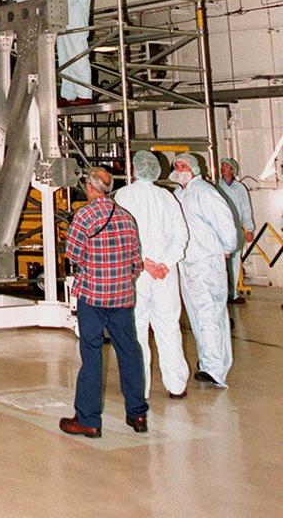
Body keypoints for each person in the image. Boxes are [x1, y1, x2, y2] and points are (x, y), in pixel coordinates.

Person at [59, 166, 148, 439]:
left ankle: (88, 419)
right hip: (122, 296)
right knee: (130, 352)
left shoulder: (84, 216)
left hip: (94, 296)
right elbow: (136, 261)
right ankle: (137, 413)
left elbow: (73, 255)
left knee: (92, 355)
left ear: (90, 187)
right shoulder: (126, 217)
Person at [115, 150, 190, 399]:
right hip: (165, 274)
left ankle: (140, 388)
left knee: (136, 330)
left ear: (135, 169)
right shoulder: (167, 197)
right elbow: (181, 236)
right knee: (169, 326)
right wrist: (165, 263)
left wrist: (144, 262)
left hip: (135, 273)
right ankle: (176, 385)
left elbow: (122, 237)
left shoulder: (123, 196)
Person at [170, 153, 238, 388]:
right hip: (187, 263)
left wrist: (228, 247)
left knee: (210, 313)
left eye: (183, 165)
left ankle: (215, 369)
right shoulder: (179, 194)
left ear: (194, 169)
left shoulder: (205, 192)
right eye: (176, 165)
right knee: (197, 315)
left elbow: (225, 222)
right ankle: (207, 360)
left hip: (207, 262)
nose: (179, 169)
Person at [57, 0, 93, 104]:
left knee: (78, 58)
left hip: (76, 26)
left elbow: (68, 1)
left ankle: (84, 94)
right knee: (65, 60)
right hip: (63, 26)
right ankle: (68, 94)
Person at [217, 157, 255, 303]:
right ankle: (221, 295)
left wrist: (249, 228)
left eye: (226, 166)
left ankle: (233, 294)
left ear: (233, 170)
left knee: (234, 262)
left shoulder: (240, 188)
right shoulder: (215, 187)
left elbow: (246, 209)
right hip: (219, 230)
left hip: (236, 229)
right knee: (220, 264)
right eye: (222, 166)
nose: (223, 169)